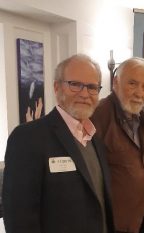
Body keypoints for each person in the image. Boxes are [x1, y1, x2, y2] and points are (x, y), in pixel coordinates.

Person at [2, 54, 114, 233]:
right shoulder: (27, 138)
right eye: (75, 84)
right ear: (57, 87)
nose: (85, 94)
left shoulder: (96, 142)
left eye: (92, 87)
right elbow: (19, 219)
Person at [91, 57, 144, 233]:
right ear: (115, 82)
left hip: (141, 219)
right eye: (132, 84)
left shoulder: (139, 116)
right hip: (114, 225)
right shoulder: (97, 115)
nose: (139, 93)